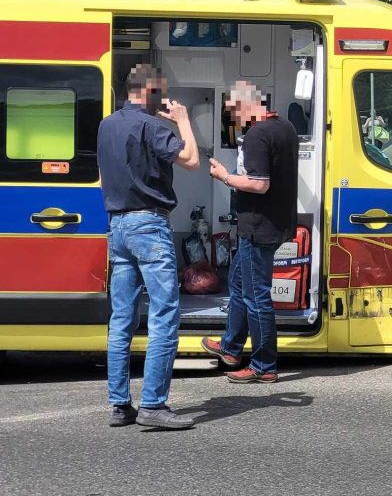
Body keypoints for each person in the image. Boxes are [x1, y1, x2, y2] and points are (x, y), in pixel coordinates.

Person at [98, 64, 199, 429]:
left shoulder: (106, 125)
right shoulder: (153, 126)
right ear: (150, 89)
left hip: (117, 226)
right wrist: (183, 120)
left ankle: (120, 405)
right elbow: (191, 160)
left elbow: (101, 179)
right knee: (163, 314)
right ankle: (154, 404)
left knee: (122, 318)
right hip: (148, 225)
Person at [201, 81, 299, 383]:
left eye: (234, 112)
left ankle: (263, 366)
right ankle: (231, 347)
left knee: (257, 297)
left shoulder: (257, 135)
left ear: (246, 107)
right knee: (240, 284)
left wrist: (224, 176)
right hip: (271, 222)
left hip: (258, 226)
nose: (234, 118)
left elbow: (259, 183)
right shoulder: (285, 127)